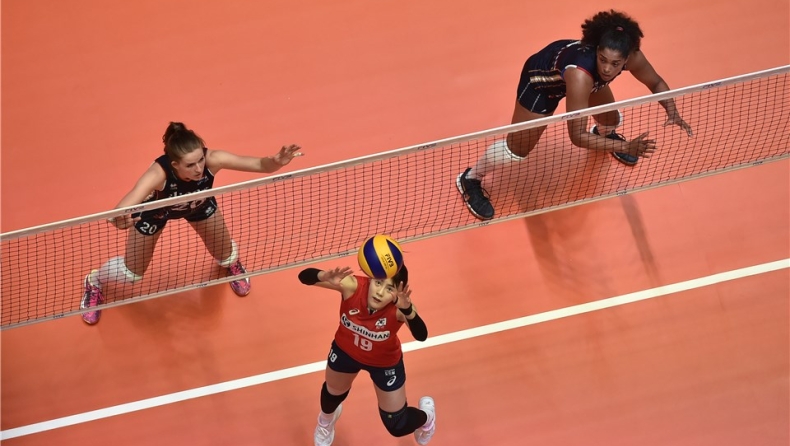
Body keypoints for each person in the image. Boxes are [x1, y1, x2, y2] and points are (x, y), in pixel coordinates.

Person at [457, 9, 693, 220]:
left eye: (615, 64)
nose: (607, 69)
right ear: (597, 50)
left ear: (627, 59)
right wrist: (626, 147)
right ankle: (470, 178)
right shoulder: (582, 75)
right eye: (603, 60)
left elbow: (656, 82)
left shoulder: (630, 58)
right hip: (542, 84)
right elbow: (577, 136)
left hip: (579, 77)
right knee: (515, 152)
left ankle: (603, 134)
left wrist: (672, 111)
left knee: (611, 120)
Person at [79, 121, 303, 325]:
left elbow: (261, 165)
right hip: (155, 213)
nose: (198, 169)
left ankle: (232, 265)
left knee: (228, 256)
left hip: (198, 205)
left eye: (200, 160)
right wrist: (120, 219)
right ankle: (95, 281)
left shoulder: (214, 159)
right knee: (131, 274)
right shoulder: (158, 174)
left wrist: (276, 162)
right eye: (190, 165)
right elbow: (122, 208)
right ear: (175, 164)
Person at [298, 264, 436, 445]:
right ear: (370, 279)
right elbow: (303, 277)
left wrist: (408, 310)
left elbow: (422, 335)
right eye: (378, 283)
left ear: (397, 293)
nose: (380, 292)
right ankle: (325, 422)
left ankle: (427, 418)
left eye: (389, 289)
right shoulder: (352, 286)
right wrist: (323, 276)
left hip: (384, 364)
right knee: (332, 394)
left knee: (397, 425)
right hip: (345, 352)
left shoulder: (401, 308)